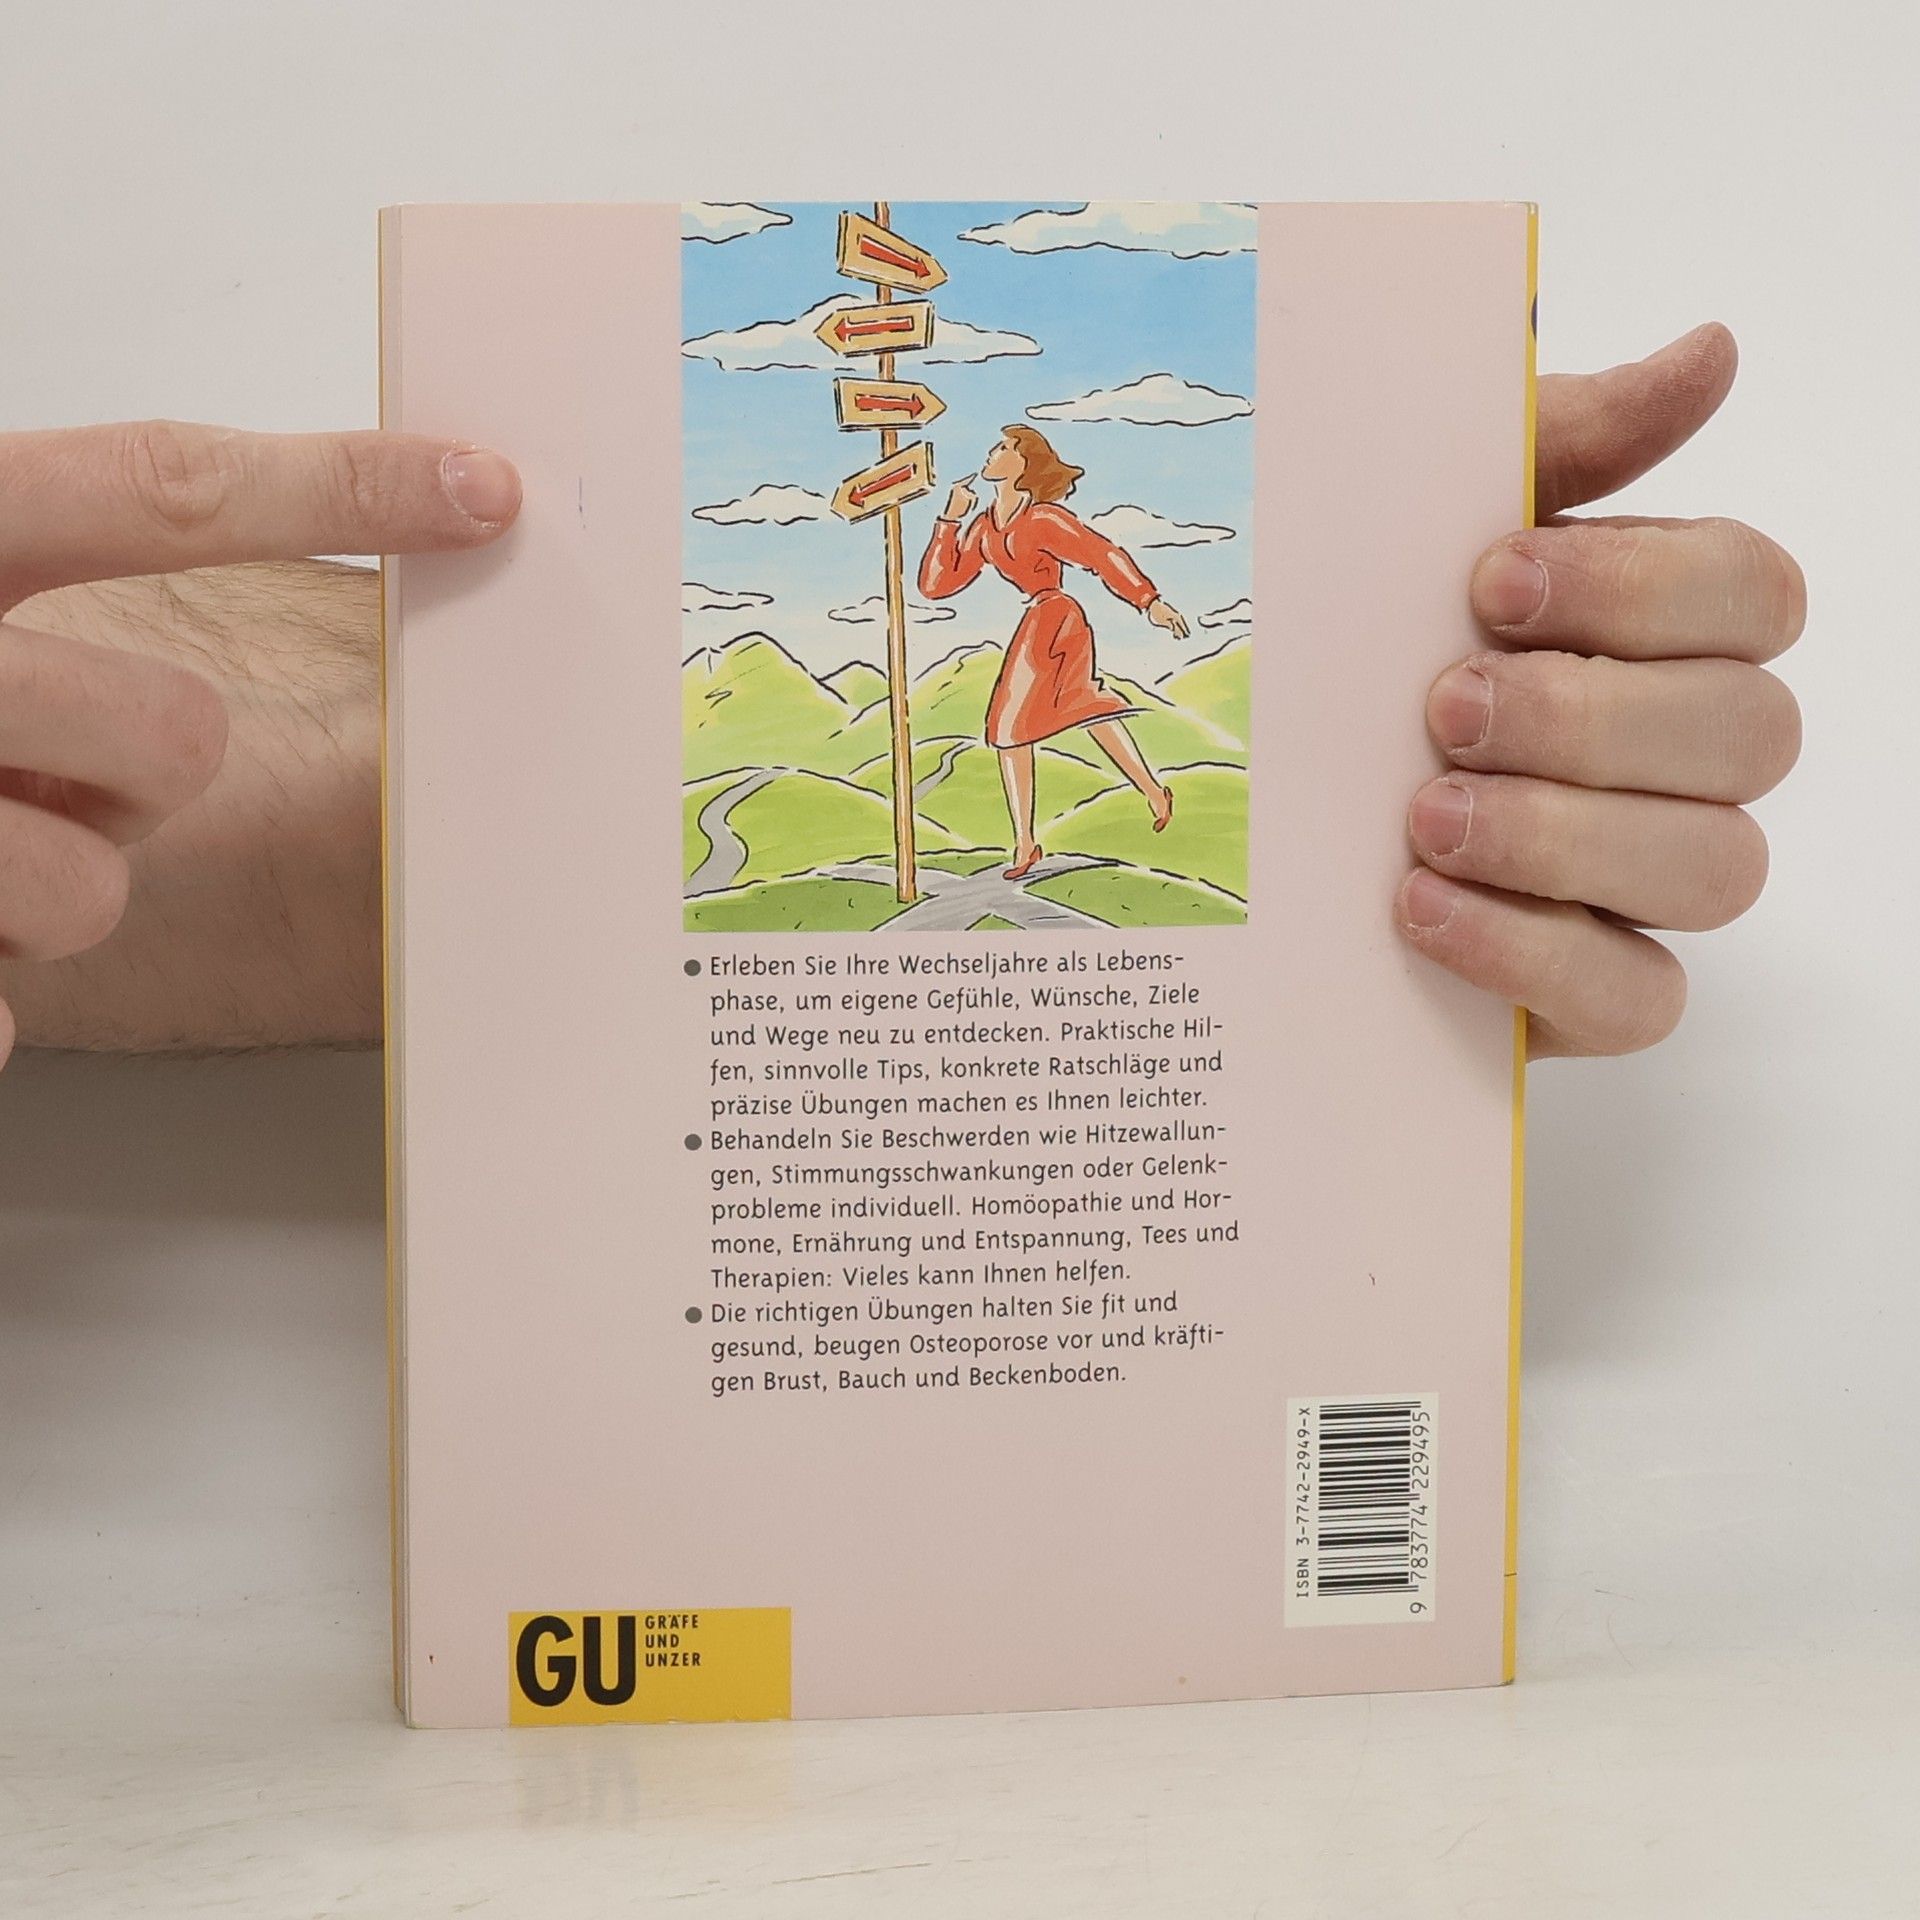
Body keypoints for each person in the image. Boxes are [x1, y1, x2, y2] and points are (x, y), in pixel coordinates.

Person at [0, 323, 1802, 1069]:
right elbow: (945, 590)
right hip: (1022, 641)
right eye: (1000, 469)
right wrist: (940, 534)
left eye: (1004, 465)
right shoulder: (986, 522)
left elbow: (1100, 569)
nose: (1004, 476)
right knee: (1026, 733)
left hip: (1069, 631)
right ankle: (1091, 813)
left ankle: (1136, 792)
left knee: (1072, 712)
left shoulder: (1056, 526)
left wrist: (1197, 591)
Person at [918, 424, 1188, 878]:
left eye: (1004, 447)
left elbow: (1100, 554)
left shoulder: (1044, 519)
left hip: (1057, 618)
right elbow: (937, 585)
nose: (991, 452)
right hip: (1039, 618)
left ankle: (1028, 843)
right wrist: (949, 521)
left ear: (1023, 464)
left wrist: (1149, 601)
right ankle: (1149, 794)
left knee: (1011, 725)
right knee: (1081, 709)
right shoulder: (985, 526)